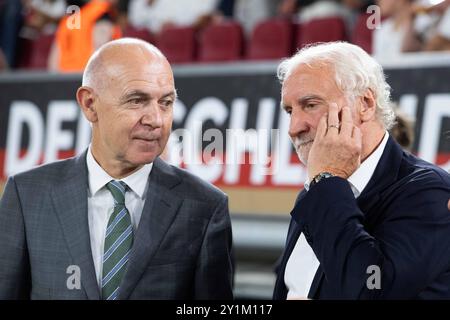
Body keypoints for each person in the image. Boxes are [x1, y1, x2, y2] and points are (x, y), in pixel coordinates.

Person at [0, 38, 234, 300]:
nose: (156, 120)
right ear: (89, 104)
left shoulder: (205, 206)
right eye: (136, 100)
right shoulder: (26, 195)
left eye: (166, 103)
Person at [273, 41, 450, 299]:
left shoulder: (431, 192)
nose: (293, 127)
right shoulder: (315, 191)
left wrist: (327, 180)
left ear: (365, 103)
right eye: (290, 110)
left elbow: (370, 289)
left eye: (310, 105)